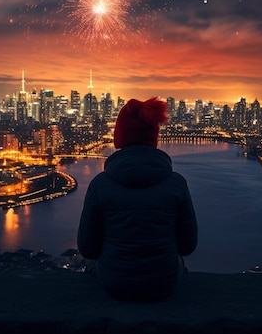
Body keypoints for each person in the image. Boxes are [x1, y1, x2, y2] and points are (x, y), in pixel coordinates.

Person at [77, 97, 198, 301]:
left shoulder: (100, 185)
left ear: (120, 136)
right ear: (154, 137)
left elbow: (88, 248)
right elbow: (188, 246)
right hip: (164, 285)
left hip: (114, 283)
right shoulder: (177, 184)